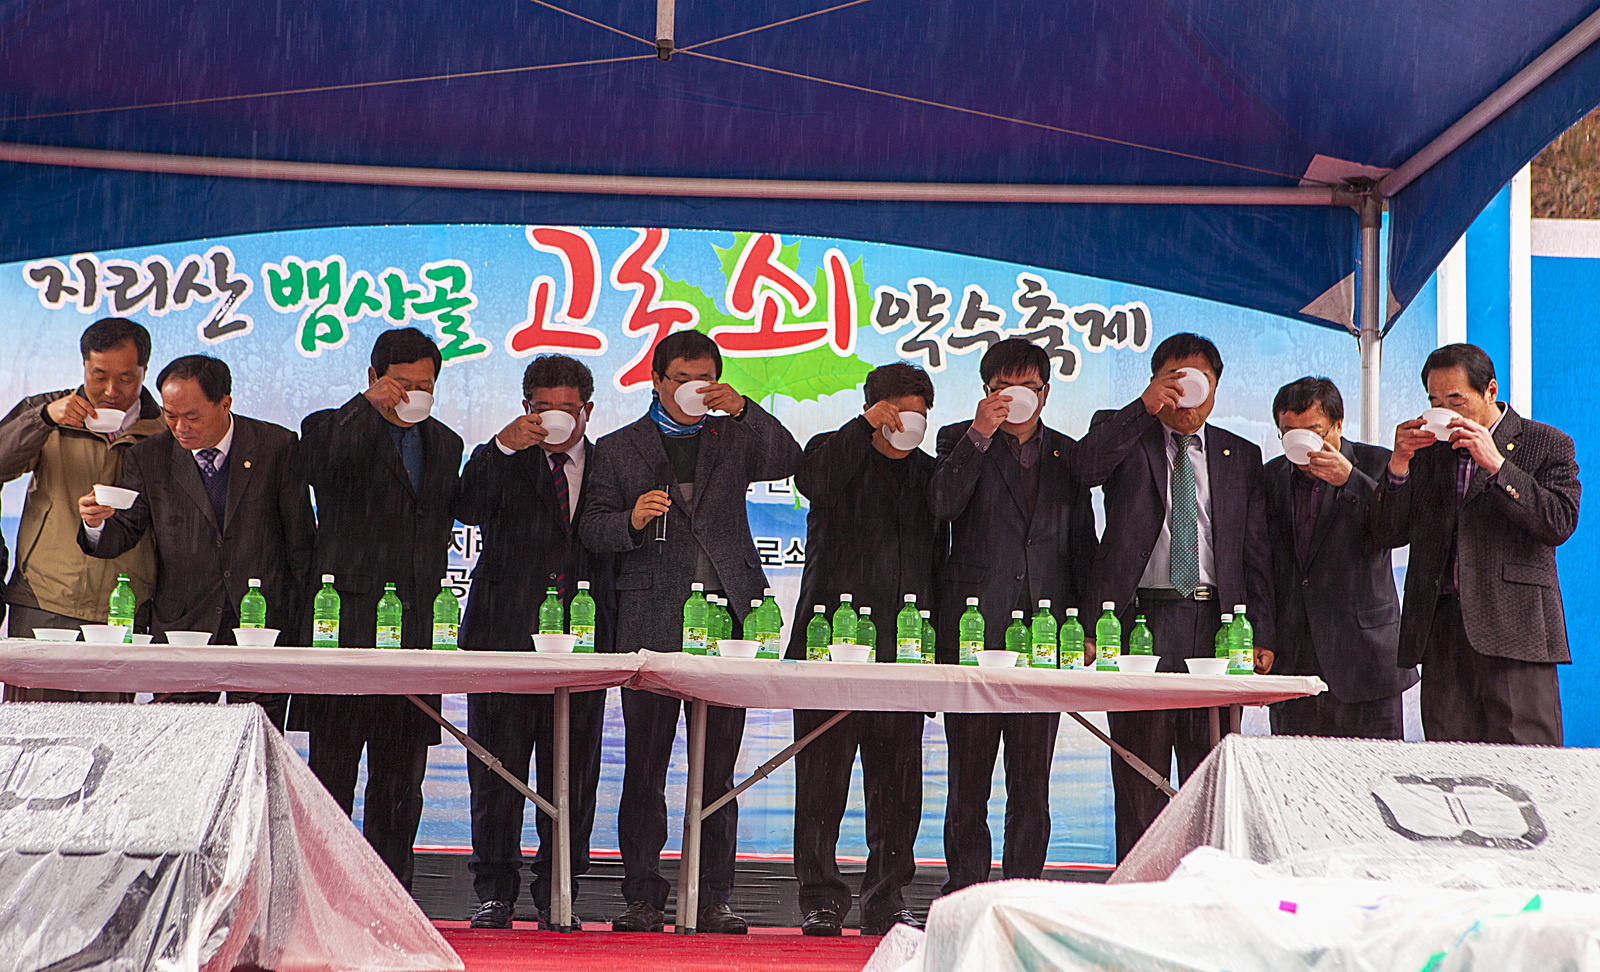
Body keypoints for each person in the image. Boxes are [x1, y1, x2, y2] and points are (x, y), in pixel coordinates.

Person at [581, 329, 801, 934]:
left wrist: (746, 409)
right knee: (644, 768)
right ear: (656, 381)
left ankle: (712, 897)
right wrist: (630, 519)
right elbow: (592, 528)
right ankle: (642, 897)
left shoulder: (734, 437)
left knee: (718, 774)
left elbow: (791, 461)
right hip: (649, 619)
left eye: (705, 378)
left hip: (729, 621)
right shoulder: (618, 447)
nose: (693, 389)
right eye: (681, 378)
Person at [1075, 332, 1274, 861]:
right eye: (1175, 380)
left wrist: (1262, 633)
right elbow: (1082, 470)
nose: (1187, 395)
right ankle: (1140, 886)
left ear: (1216, 389)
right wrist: (1144, 407)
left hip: (1219, 626)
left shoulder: (1241, 454)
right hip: (1140, 621)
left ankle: (1206, 882)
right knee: (1139, 771)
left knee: (1211, 769)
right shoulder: (1125, 433)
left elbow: (1255, 552)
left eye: (1199, 382)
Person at [289, 327, 464, 889]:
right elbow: (314, 467)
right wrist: (365, 408)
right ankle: (322, 893)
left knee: (401, 785)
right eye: (401, 383)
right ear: (373, 377)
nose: (413, 394)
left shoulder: (446, 443)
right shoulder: (331, 424)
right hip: (343, 629)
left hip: (414, 634)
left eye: (425, 385)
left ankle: (392, 898)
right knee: (332, 774)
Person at [928, 338, 1097, 893]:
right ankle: (966, 890)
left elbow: (1083, 546)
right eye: (1003, 387)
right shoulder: (958, 438)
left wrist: (1084, 627)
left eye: (1027, 386)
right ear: (986, 391)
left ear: (1045, 393)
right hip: (973, 631)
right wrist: (980, 434)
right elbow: (942, 505)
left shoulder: (1069, 455)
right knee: (967, 781)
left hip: (1044, 637)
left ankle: (1022, 889)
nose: (1015, 396)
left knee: (1031, 783)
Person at [456, 355, 617, 931]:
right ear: (526, 408)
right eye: (542, 408)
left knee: (572, 777)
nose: (555, 418)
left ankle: (559, 892)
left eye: (567, 408)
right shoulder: (501, 458)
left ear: (587, 411)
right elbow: (465, 507)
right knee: (495, 772)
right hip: (502, 637)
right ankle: (494, 892)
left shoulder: (611, 464)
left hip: (584, 642)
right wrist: (503, 445)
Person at [76, 355, 314, 729]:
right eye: (170, 415)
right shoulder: (149, 456)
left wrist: (303, 626)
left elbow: (300, 542)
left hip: (261, 626)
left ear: (225, 404)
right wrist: (95, 524)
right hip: (182, 627)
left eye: (192, 416)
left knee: (256, 743)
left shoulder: (276, 446)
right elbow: (122, 534)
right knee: (180, 746)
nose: (180, 427)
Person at [785, 363, 940, 937]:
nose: (908, 422)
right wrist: (863, 427)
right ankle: (820, 899)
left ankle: (886, 898)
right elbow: (815, 481)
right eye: (897, 410)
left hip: (905, 651)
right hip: (828, 643)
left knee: (898, 789)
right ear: (873, 408)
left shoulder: (931, 475)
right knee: (820, 784)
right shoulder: (834, 451)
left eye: (919, 412)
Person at [1370, 344, 1579, 745]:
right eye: (1434, 401)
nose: (1444, 411)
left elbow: (1558, 522)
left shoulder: (1547, 443)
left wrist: (1498, 465)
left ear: (1490, 391)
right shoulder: (1426, 450)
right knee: (1448, 761)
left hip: (1515, 630)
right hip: (1441, 629)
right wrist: (1397, 464)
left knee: (1528, 759)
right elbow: (1386, 532)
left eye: (1456, 400)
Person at [0, 318, 164, 701]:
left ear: (144, 371)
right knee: (33, 727)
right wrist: (44, 420)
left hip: (123, 604)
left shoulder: (165, 431)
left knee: (109, 731)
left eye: (126, 378)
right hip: (44, 596)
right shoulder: (46, 412)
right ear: (84, 366)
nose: (111, 391)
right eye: (99, 376)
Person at [1264, 377, 1415, 739]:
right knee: (1294, 772)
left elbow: (1397, 531)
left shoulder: (1378, 464)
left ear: (1338, 425)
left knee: (1375, 770)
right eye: (1290, 433)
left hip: (1366, 660)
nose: (1303, 443)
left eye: (1314, 432)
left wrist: (1351, 480)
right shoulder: (1270, 476)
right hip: (1294, 659)